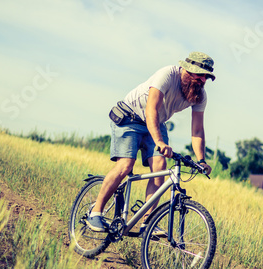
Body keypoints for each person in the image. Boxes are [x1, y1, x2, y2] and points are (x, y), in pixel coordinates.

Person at [86, 51, 215, 232]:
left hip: (157, 122)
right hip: (131, 116)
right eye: (200, 75)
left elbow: (197, 130)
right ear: (188, 69)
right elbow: (151, 109)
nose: (203, 81)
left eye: (206, 77)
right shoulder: (167, 75)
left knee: (160, 168)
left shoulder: (199, 95)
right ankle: (96, 212)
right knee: (126, 165)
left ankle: (148, 224)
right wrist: (160, 142)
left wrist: (201, 160)